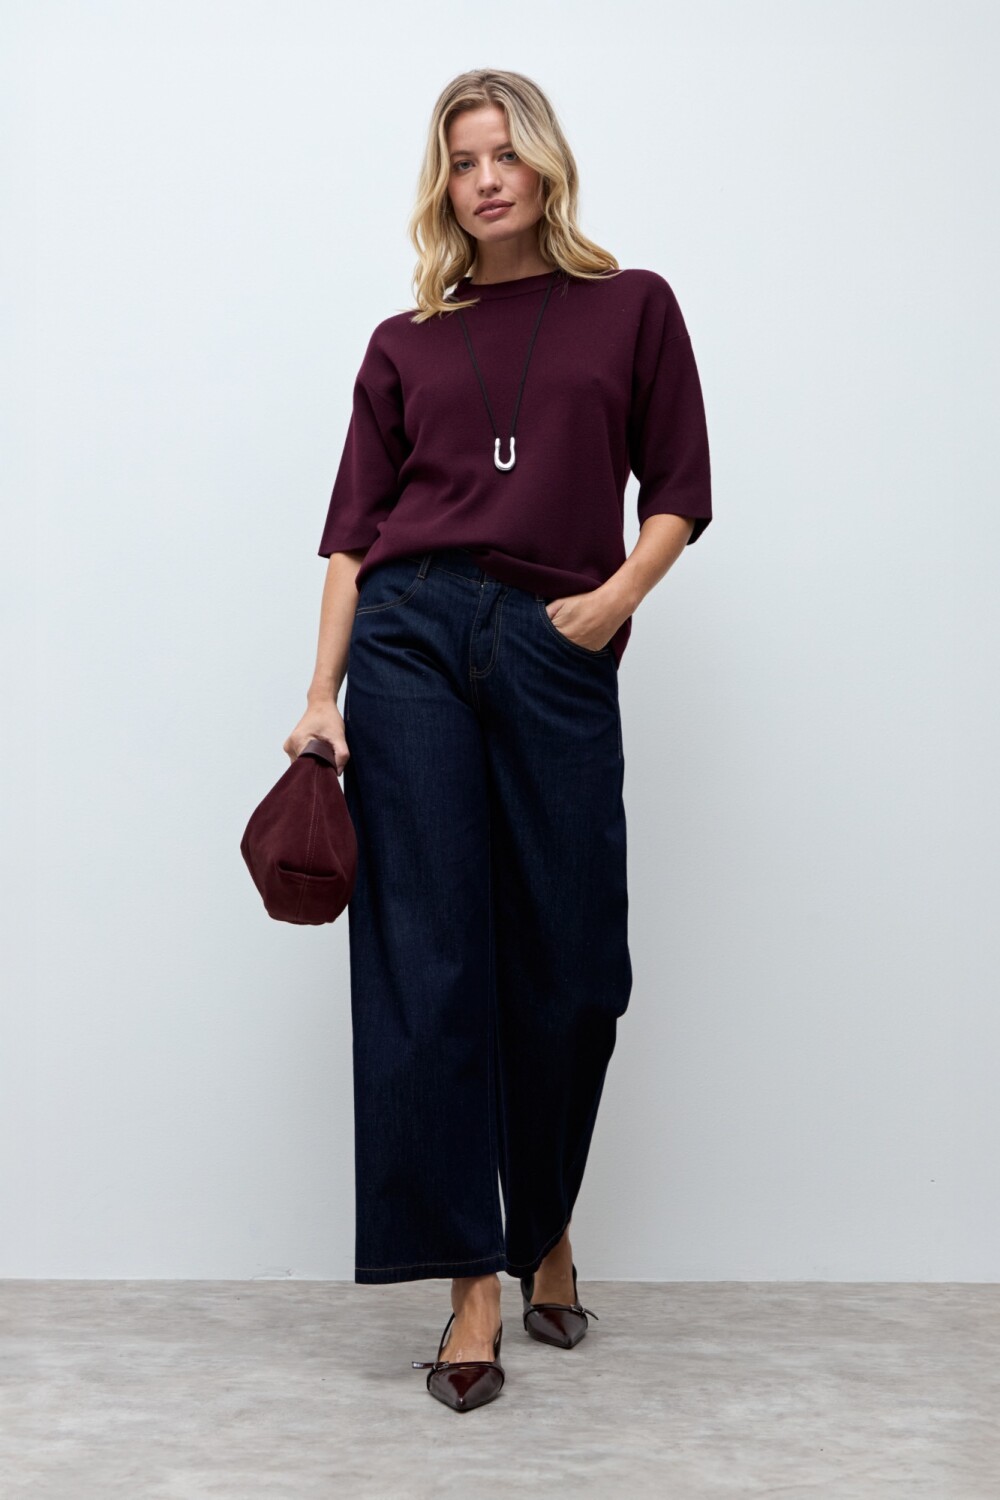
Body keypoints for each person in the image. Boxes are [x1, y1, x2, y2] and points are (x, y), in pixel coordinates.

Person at [284, 68, 712, 1412]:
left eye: (504, 153)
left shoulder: (633, 307)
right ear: (444, 184)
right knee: (431, 959)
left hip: (552, 642)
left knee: (574, 965)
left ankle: (545, 1221)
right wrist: (320, 697)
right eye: (462, 160)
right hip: (408, 639)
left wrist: (608, 606)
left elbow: (680, 490)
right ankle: (475, 1277)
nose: (485, 179)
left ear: (545, 165)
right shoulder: (404, 341)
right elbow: (353, 535)